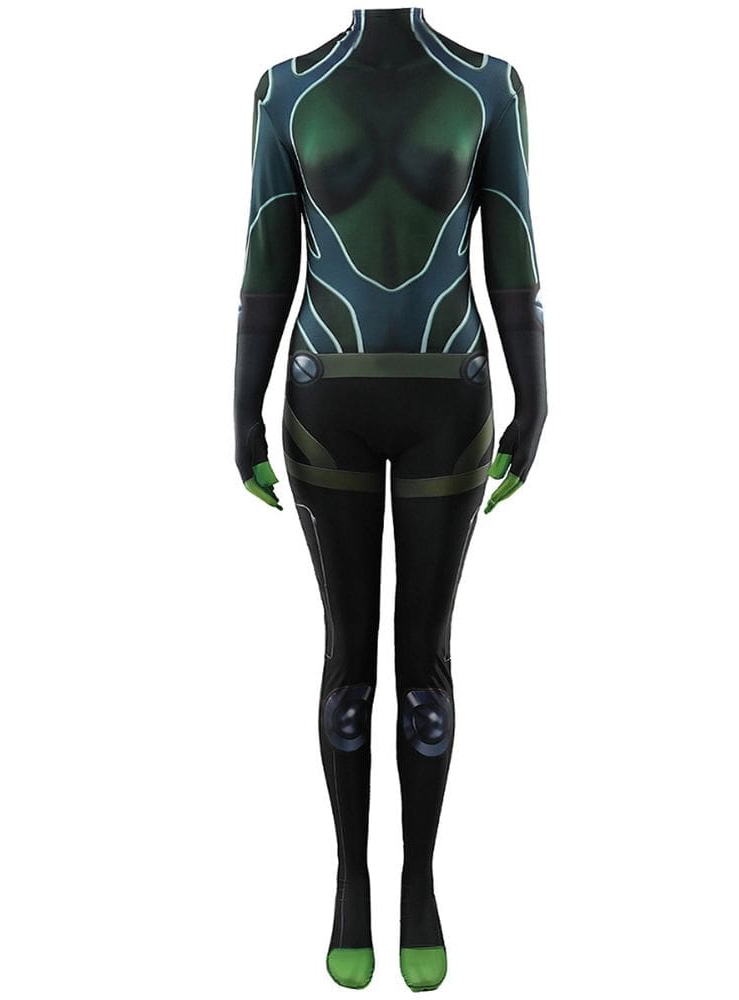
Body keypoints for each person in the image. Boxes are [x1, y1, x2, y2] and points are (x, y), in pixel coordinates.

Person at [233, 7, 547, 991]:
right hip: (326, 399)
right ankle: (349, 883)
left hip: (448, 405)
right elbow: (265, 260)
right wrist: (240, 409)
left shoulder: (490, 86)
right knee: (347, 658)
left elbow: (514, 252)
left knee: (423, 661)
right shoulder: (282, 90)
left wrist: (536, 399)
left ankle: (417, 882)